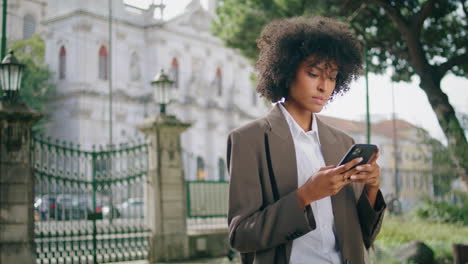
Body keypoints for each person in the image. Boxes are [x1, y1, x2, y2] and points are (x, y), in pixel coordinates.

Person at [226, 16, 386, 264]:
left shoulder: (343, 143)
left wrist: (372, 188)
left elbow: (363, 235)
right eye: (313, 73)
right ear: (287, 70)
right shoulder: (249, 140)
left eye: (332, 77)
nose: (324, 86)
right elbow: (241, 237)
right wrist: (305, 195)